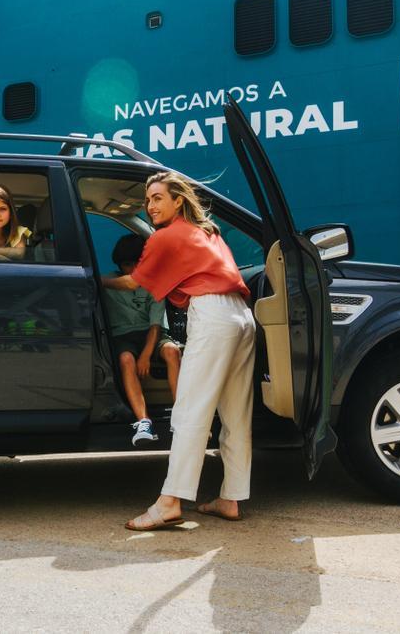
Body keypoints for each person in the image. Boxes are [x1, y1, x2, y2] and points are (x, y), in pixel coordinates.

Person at [102, 171, 255, 531]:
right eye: (148, 199)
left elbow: (132, 282)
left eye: (157, 198)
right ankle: (231, 498)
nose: (150, 205)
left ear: (178, 201)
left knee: (189, 411)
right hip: (242, 316)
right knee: (236, 414)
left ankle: (170, 502)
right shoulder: (209, 233)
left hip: (213, 315)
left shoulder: (165, 236)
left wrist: (94, 279)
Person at [102, 234, 182, 445]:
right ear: (120, 264)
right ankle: (143, 422)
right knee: (126, 359)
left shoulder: (155, 283)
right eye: (128, 264)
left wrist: (146, 355)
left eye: (139, 263)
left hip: (151, 334)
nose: (134, 269)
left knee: (173, 351)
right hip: (123, 336)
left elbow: (155, 325)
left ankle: (181, 415)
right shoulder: (108, 281)